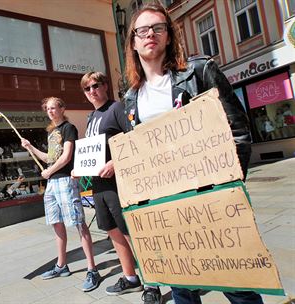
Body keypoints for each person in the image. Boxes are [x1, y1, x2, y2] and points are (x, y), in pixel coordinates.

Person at [122, 3, 262, 304]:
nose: (151, 34)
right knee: (181, 285)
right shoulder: (131, 98)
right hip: (165, 205)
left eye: (158, 28)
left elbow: (238, 129)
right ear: (133, 41)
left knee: (235, 280)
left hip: (210, 197)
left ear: (169, 35)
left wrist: (229, 184)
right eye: (142, 30)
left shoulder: (198, 71)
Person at [20, 96, 101, 292]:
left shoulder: (68, 128)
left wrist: (49, 171)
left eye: (53, 108)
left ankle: (92, 269)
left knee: (79, 222)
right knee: (57, 223)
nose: (50, 111)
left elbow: (66, 157)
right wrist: (30, 147)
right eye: (47, 108)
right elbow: (50, 157)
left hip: (65, 180)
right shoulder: (52, 133)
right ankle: (61, 265)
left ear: (62, 108)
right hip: (52, 184)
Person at [78, 71, 145, 297]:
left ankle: (151, 280)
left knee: (129, 231)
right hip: (98, 185)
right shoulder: (91, 118)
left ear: (105, 86)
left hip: (118, 182)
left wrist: (115, 163)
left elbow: (133, 139)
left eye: (95, 86)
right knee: (112, 231)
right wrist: (80, 169)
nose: (91, 91)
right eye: (87, 89)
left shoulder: (116, 109)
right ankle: (131, 277)